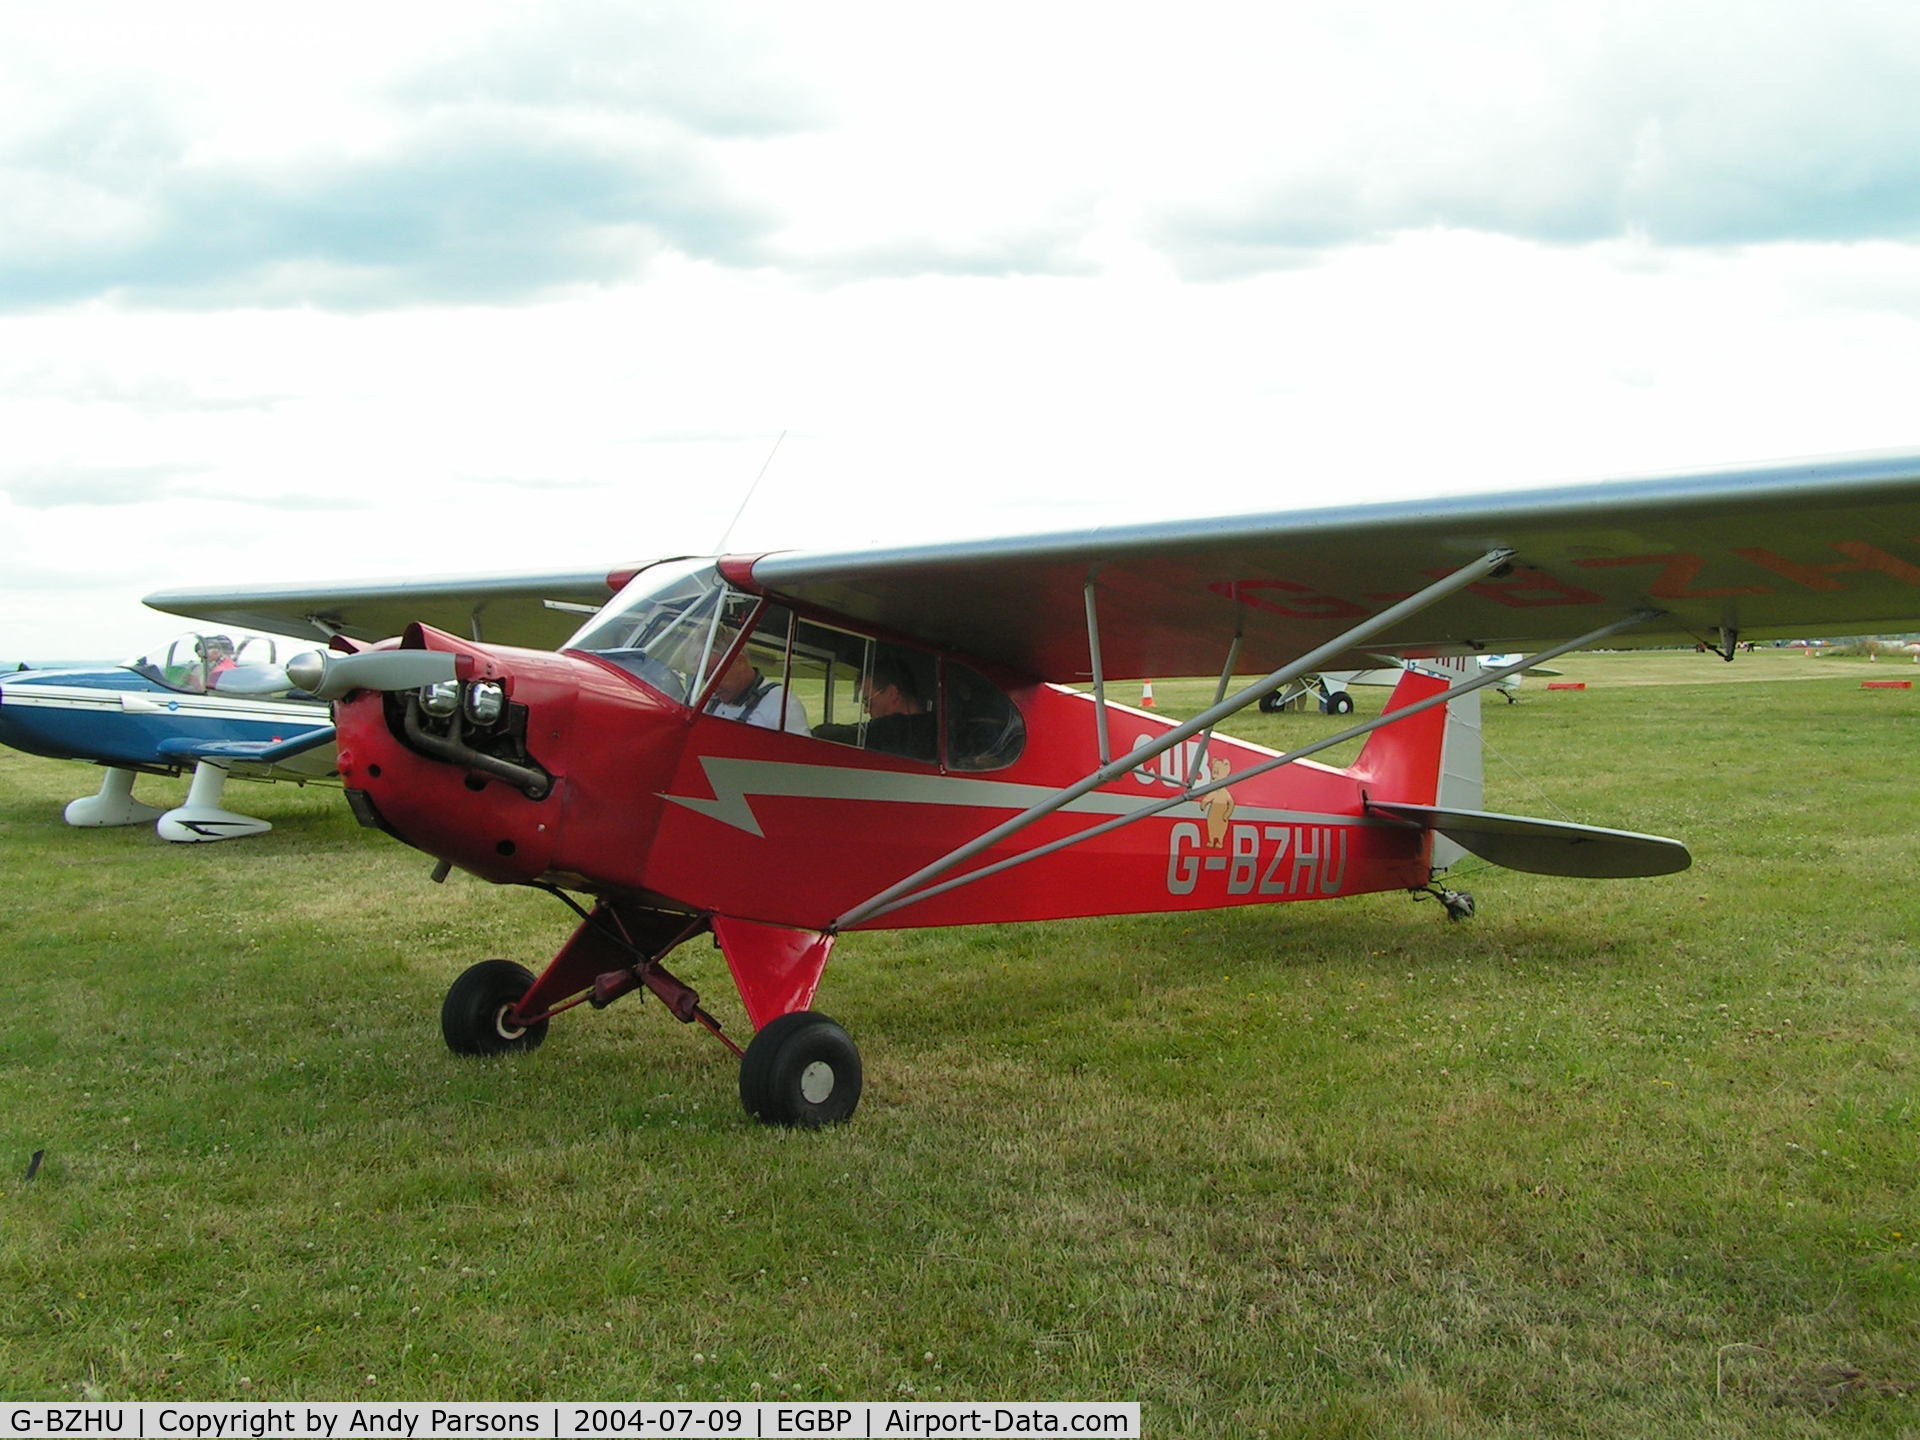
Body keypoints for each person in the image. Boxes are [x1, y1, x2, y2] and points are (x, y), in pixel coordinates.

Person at [814, 657, 938, 761]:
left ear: (892, 694)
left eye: (868, 701)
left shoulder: (893, 730)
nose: (866, 711)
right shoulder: (936, 729)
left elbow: (831, 735)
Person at [703, 641, 811, 734]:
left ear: (740, 661)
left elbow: (803, 756)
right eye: (705, 679)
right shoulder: (708, 704)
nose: (711, 688)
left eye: (716, 677)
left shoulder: (782, 704)